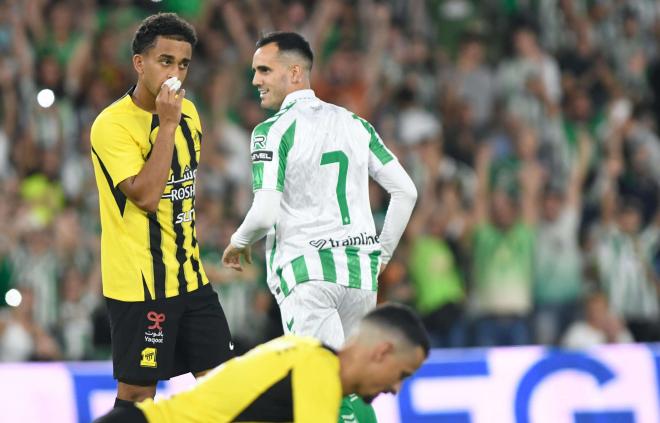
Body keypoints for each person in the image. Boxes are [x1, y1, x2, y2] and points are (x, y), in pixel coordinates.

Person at [221, 32, 417, 421]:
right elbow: (406, 192)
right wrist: (381, 255)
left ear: (294, 73)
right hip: (360, 275)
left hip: (307, 275)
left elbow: (263, 214)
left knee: (323, 386)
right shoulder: (355, 124)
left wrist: (238, 240)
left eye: (264, 70)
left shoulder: (271, 131)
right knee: (357, 385)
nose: (255, 80)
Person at [89, 13, 233, 407]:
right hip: (140, 286)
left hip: (190, 278)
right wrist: (166, 126)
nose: (176, 73)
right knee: (137, 397)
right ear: (139, 63)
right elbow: (148, 197)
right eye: (165, 61)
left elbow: (181, 196)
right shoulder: (112, 125)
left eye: (183, 64)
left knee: (225, 385)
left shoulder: (191, 114)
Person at [94, 303, 430, 423]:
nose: (396, 388)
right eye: (402, 374)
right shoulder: (319, 373)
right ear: (382, 351)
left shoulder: (301, 350)